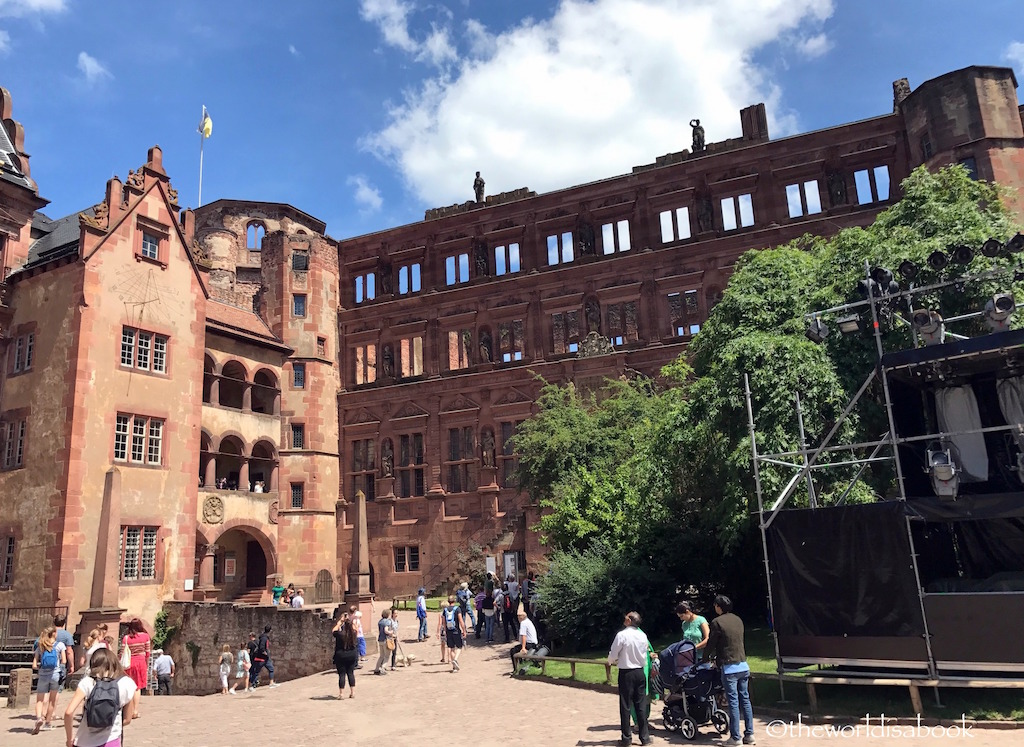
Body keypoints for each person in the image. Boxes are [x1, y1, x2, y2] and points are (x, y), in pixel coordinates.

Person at [63, 648, 136, 747]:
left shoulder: (88, 682)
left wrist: (69, 739)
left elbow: (68, 712)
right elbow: (127, 719)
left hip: (84, 741)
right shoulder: (126, 683)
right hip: (111, 740)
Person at [707, 595, 755, 746]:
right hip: (743, 664)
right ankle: (749, 734)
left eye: (715, 606)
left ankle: (735, 737)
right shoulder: (738, 619)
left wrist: (705, 658)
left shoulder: (716, 622)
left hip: (729, 668)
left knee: (733, 702)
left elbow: (712, 642)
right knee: (745, 700)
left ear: (719, 607)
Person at [608, 611, 653, 747]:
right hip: (640, 672)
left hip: (626, 672)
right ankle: (645, 738)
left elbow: (614, 653)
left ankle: (626, 738)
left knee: (626, 705)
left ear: (630, 620)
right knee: (640, 705)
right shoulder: (643, 635)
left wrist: (611, 661)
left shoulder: (622, 635)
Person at [32, 624, 68, 733]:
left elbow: (34, 665)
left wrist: (40, 667)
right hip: (55, 674)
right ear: (54, 634)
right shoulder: (60, 645)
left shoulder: (41, 646)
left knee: (40, 699)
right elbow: (64, 661)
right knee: (52, 700)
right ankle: (48, 723)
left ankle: (39, 718)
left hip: (43, 674)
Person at [121, 618, 150, 718]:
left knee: (129, 687)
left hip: (129, 663)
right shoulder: (145, 636)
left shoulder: (126, 638)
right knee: (137, 688)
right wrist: (146, 664)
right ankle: (135, 711)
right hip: (140, 662)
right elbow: (147, 652)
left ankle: (127, 710)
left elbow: (122, 653)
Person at [332, 614, 359, 699]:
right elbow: (356, 630)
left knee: (342, 674)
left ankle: (341, 694)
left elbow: (333, 631)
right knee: (351, 673)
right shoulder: (353, 634)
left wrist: (339, 623)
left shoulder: (340, 634)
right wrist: (351, 622)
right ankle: (352, 692)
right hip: (352, 654)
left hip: (341, 655)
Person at [442, 594, 467, 672]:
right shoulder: (457, 609)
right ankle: (455, 660)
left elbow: (444, 623)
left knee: (452, 648)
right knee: (459, 647)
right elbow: (461, 621)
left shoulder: (445, 610)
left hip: (449, 631)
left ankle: (454, 667)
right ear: (454, 601)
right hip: (456, 630)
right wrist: (464, 630)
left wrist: (445, 631)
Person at [249, 625, 279, 689]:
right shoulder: (264, 638)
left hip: (265, 658)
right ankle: (252, 685)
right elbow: (262, 647)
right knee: (256, 671)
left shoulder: (264, 637)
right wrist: (264, 653)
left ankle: (271, 683)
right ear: (270, 631)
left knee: (271, 669)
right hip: (262, 658)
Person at [510, 609, 538, 674]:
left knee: (513, 651)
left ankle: (516, 669)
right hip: (533, 643)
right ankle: (520, 664)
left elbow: (524, 636)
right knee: (516, 649)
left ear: (520, 618)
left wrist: (523, 648)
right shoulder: (528, 621)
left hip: (529, 644)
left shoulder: (523, 623)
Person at [53, 613, 75, 692]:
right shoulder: (67, 635)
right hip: (61, 662)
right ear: (64, 623)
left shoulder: (48, 633)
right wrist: (72, 665)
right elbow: (69, 651)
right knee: (58, 688)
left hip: (47, 662)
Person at [373, 609, 395, 675]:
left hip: (380, 640)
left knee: (381, 656)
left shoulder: (380, 621)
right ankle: (383, 668)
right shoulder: (387, 622)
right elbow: (386, 630)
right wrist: (391, 632)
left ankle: (376, 669)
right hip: (386, 640)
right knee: (387, 656)